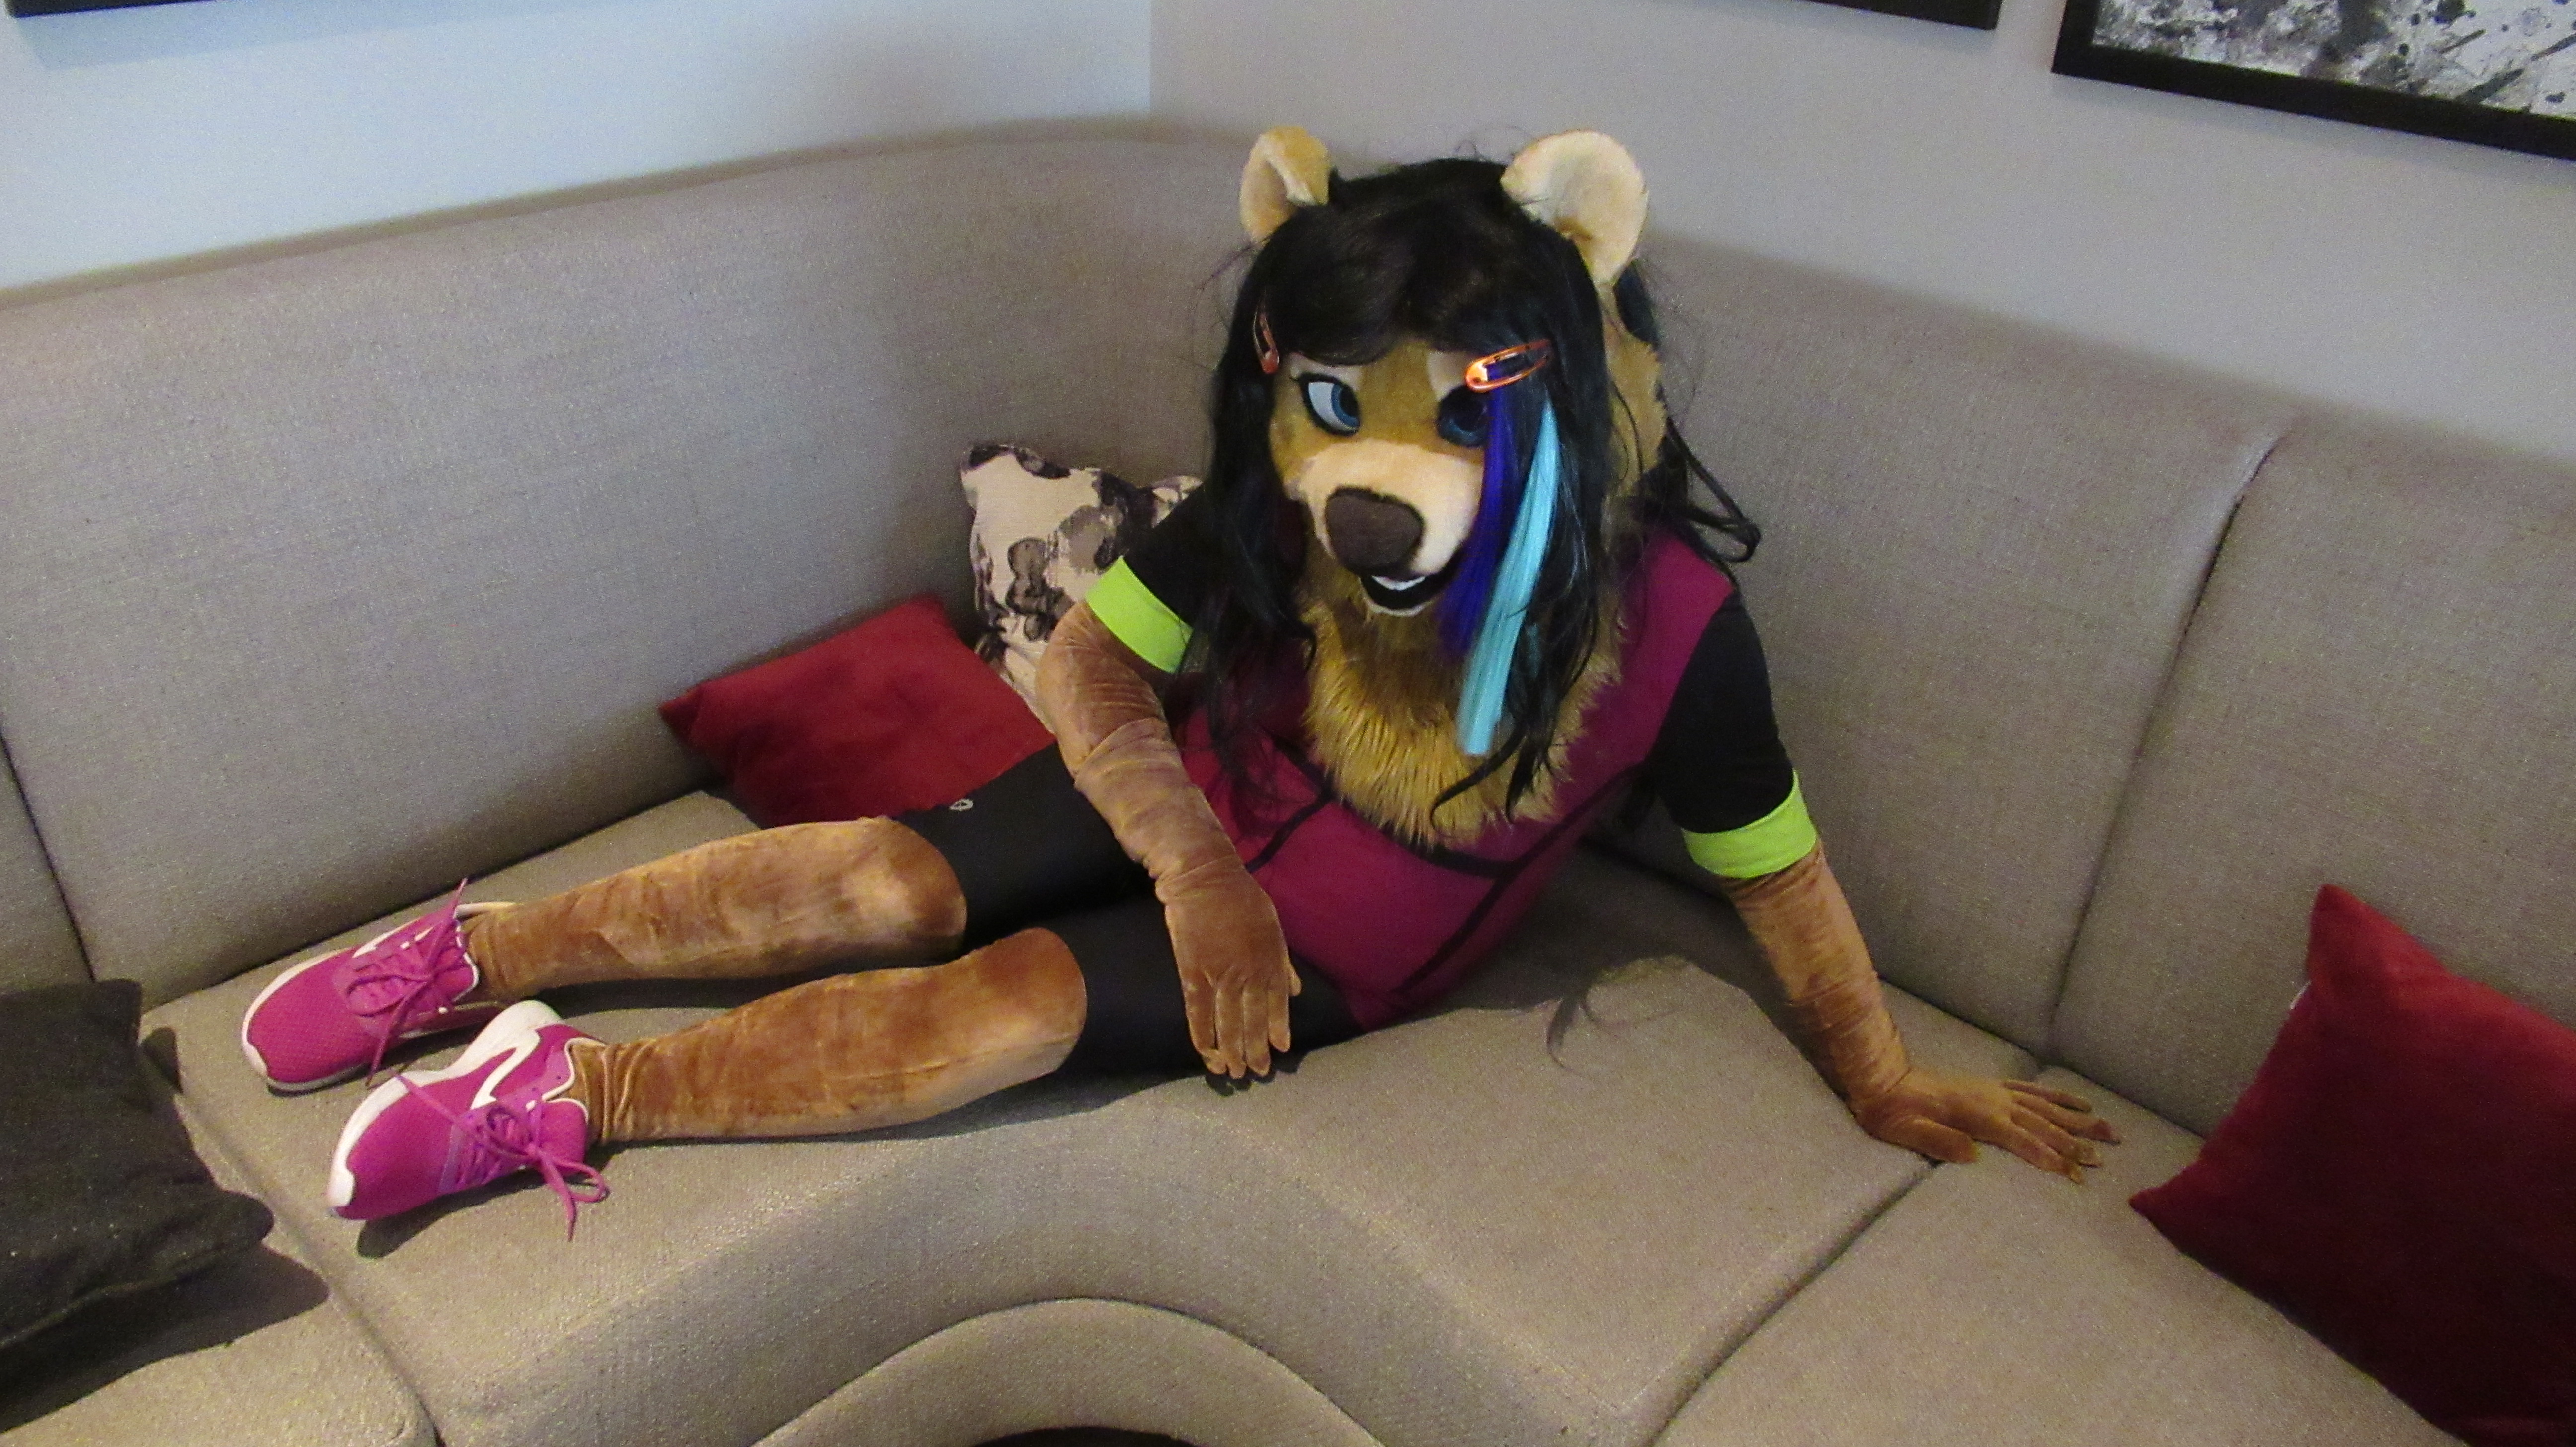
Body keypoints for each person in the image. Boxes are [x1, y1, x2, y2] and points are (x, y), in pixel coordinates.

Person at [241, 128, 2114, 1235]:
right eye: (1337, 401)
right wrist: (1194, 863)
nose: (1369, 478)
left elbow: (1777, 866)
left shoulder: (1678, 623)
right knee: (890, 880)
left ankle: (577, 1094)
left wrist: (1878, 1068)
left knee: (998, 1008)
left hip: (1336, 955)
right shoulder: (1277, 498)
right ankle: (480, 952)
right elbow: (1087, 665)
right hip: (1184, 799)